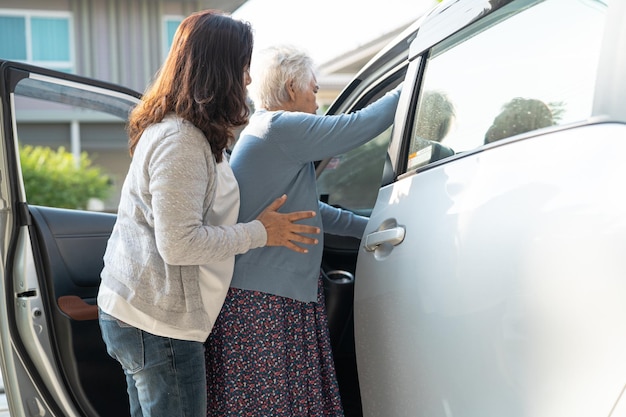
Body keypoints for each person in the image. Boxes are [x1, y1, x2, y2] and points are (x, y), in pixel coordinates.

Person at [97, 13, 320, 417]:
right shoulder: (179, 141)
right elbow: (180, 244)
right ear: (220, 70)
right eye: (243, 67)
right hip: (156, 324)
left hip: (144, 313)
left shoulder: (191, 133)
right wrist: (260, 232)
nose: (249, 80)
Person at [204, 44, 402, 416]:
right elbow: (358, 126)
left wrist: (373, 228)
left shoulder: (267, 132)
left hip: (271, 299)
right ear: (291, 89)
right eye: (314, 90)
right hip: (262, 304)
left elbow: (314, 212)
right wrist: (413, 79)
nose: (317, 101)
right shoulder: (281, 127)